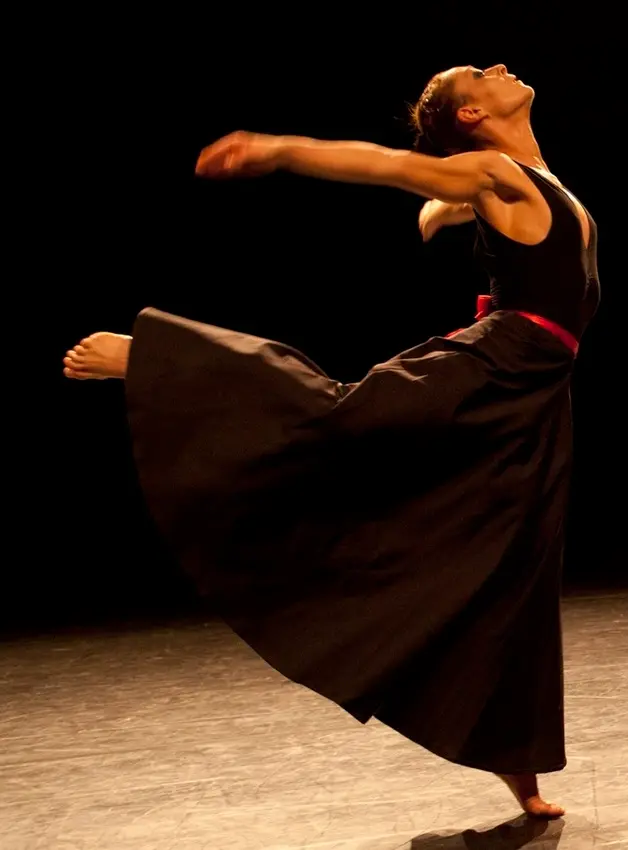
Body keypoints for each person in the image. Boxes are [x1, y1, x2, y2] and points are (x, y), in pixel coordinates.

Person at [62, 64, 598, 816]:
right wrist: (280, 150)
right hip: (498, 363)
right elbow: (385, 165)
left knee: (516, 562)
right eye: (480, 72)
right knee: (340, 410)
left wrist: (447, 212)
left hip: (536, 393)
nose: (500, 66)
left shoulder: (536, 180)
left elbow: (469, 211)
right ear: (473, 114)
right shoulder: (495, 171)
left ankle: (519, 772)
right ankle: (151, 355)